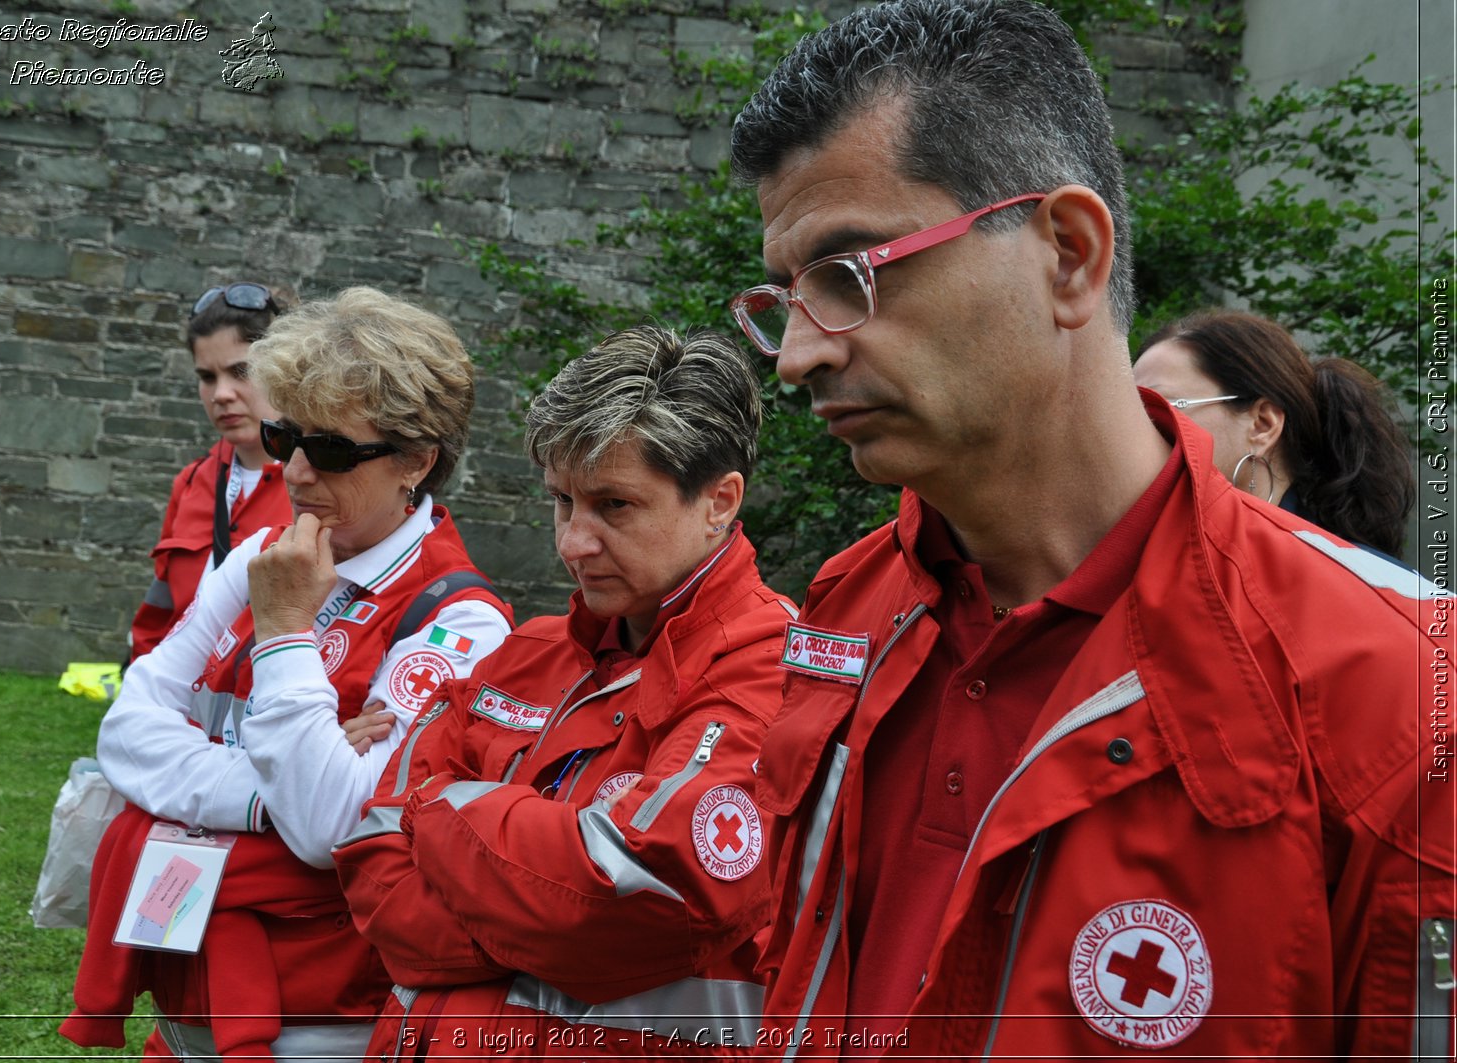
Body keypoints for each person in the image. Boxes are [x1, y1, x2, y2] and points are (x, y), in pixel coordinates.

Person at [726, 0, 1453, 1057]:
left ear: (1066, 252)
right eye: (786, 296)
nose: (797, 356)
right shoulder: (850, 607)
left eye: (849, 276)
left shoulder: (1397, 695)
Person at [62, 287, 512, 1061]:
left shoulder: (460, 621)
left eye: (330, 449)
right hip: (188, 1002)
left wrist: (282, 634)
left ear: (418, 460)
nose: (296, 470)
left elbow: (332, 825)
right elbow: (126, 730)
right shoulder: (261, 554)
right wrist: (261, 789)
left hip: (315, 1028)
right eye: (283, 435)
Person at [332, 325, 797, 1058]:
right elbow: (368, 852)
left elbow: (639, 891)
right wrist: (538, 902)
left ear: (719, 502)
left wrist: (444, 807)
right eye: (562, 502)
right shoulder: (528, 652)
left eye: (614, 506)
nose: (573, 542)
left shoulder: (773, 670)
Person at [1134, 307, 1415, 562]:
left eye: (1161, 406)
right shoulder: (1156, 567)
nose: (1137, 432)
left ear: (1262, 425)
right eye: (1133, 411)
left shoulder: (1365, 587)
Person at [127, 282, 295, 662]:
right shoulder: (190, 483)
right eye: (207, 377)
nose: (221, 394)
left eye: (242, 371)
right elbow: (160, 611)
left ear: (286, 369)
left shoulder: (325, 485)